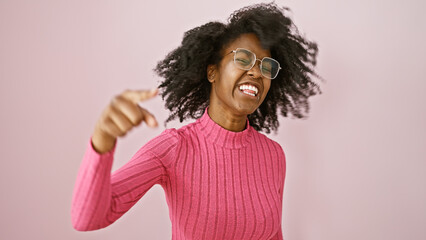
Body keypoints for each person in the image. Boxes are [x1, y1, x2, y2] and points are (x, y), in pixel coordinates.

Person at [71, 3, 322, 240]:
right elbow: (88, 219)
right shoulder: (174, 148)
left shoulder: (273, 154)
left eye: (267, 66)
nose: (256, 72)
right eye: (243, 59)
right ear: (212, 71)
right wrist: (102, 139)